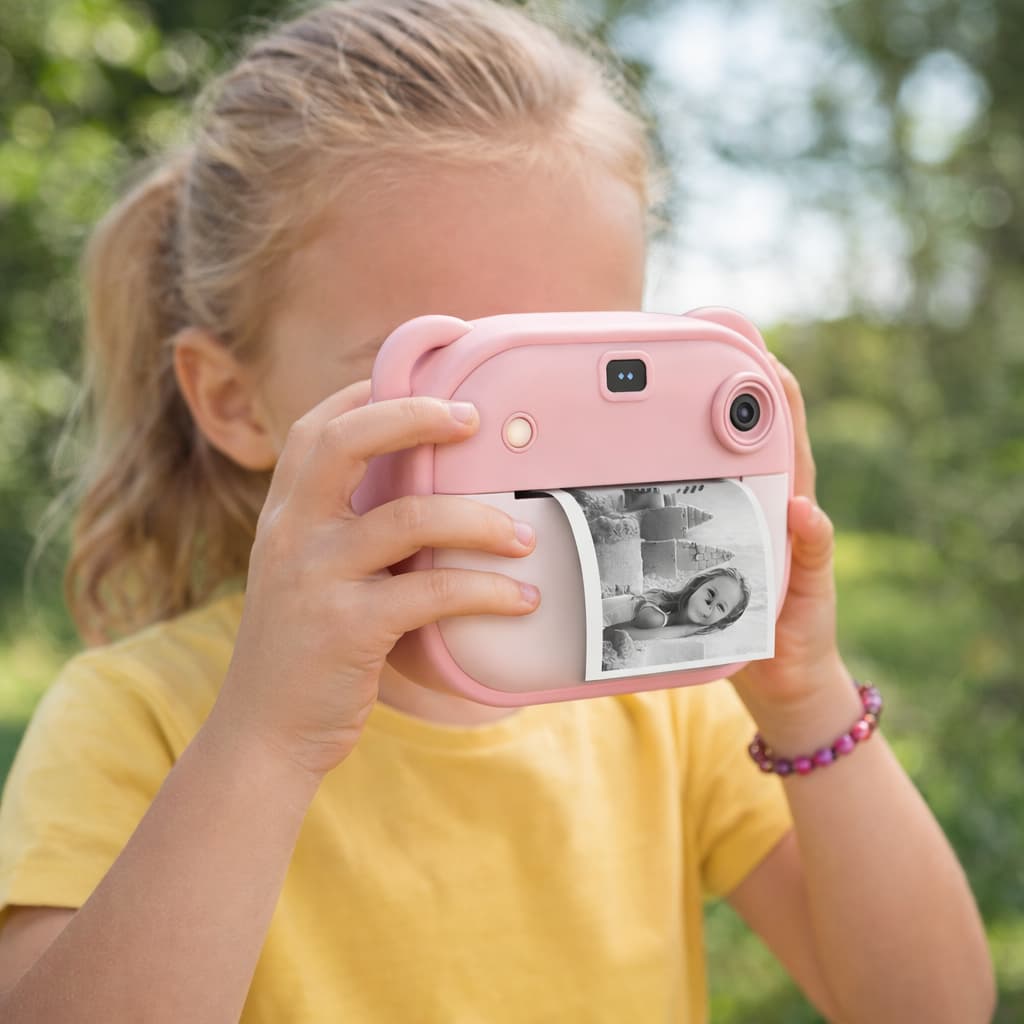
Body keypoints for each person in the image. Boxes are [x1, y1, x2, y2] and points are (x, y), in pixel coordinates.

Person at [0, 1, 995, 1021]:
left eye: (569, 358)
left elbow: (930, 1006)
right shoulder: (139, 721)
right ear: (230, 400)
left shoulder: (658, 695)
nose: (524, 439)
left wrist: (805, 700)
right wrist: (264, 742)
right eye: (450, 367)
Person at [612, 567, 752, 640]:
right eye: (711, 593)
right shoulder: (657, 605)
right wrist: (684, 630)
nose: (710, 604)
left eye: (721, 607)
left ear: (722, 620)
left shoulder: (701, 637)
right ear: (697, 586)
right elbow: (615, 633)